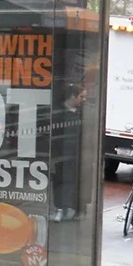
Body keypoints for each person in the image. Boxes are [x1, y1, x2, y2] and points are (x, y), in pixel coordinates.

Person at [50, 83, 87, 222]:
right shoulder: (58, 113)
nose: (84, 100)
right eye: (81, 96)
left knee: (77, 181)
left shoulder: (83, 113)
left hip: (77, 156)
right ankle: (60, 209)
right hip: (61, 155)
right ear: (73, 96)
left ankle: (77, 209)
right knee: (59, 181)